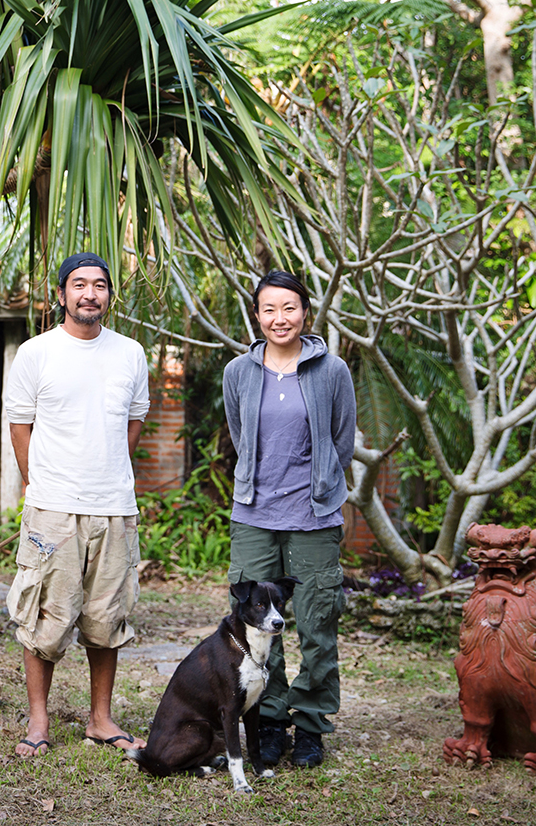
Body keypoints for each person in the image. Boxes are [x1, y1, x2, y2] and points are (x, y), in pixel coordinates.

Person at [4, 252, 151, 758]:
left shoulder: (131, 353)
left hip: (115, 507)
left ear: (110, 295)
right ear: (62, 294)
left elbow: (134, 422)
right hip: (53, 508)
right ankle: (39, 720)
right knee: (45, 614)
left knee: (106, 617)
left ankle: (100, 719)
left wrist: (108, 471)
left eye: (100, 285)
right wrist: (37, 482)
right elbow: (19, 426)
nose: (90, 293)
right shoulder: (36, 353)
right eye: (80, 284)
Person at [223, 270, 356, 769]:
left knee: (318, 621)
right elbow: (240, 435)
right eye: (269, 309)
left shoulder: (332, 370)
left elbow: (342, 439)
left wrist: (319, 481)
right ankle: (272, 718)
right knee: (258, 623)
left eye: (290, 308)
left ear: (305, 312)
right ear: (257, 316)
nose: (280, 318)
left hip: (314, 514)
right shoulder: (238, 372)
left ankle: (313, 723)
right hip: (255, 514)